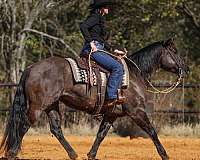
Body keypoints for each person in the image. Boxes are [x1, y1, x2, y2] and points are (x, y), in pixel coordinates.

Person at [80, 0, 125, 107]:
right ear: (101, 8)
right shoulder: (95, 17)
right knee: (117, 67)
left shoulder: (99, 18)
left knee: (118, 64)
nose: (108, 8)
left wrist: (113, 50)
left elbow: (100, 39)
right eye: (106, 6)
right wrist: (91, 43)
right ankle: (111, 97)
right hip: (93, 49)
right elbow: (83, 26)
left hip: (99, 47)